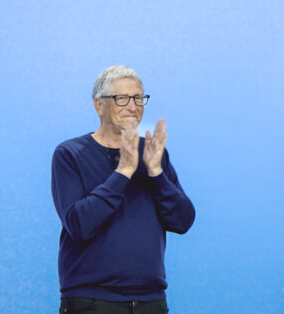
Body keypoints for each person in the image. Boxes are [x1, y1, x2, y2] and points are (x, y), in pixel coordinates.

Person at [52, 65, 195, 314]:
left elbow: (182, 221)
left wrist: (156, 173)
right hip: (91, 300)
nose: (133, 106)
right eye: (122, 98)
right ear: (99, 105)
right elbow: (79, 224)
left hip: (151, 301)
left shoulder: (153, 153)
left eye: (139, 98)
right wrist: (124, 170)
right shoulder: (70, 154)